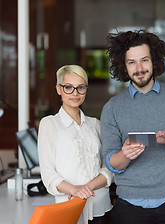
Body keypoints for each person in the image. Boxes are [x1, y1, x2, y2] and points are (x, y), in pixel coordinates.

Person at [100, 30, 165, 224]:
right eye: (132, 62)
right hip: (129, 207)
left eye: (144, 60)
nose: (139, 68)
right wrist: (125, 154)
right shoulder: (113, 108)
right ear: (123, 66)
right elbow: (111, 163)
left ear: (155, 61)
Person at [38, 65, 113, 224]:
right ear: (59, 89)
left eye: (80, 88)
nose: (75, 93)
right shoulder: (49, 124)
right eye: (68, 87)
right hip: (69, 209)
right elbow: (48, 174)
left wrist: (88, 187)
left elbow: (109, 166)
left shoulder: (95, 124)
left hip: (101, 207)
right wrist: (76, 190)